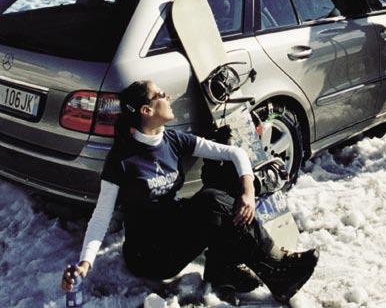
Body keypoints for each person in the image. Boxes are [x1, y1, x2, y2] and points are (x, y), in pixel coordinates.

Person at [61, 80, 318, 303]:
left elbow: (235, 153)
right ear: (146, 110)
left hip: (174, 227)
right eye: (161, 95)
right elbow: (101, 216)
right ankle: (276, 270)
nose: (168, 96)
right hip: (150, 253)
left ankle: (225, 270)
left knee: (226, 178)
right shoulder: (122, 159)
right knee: (212, 202)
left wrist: (248, 192)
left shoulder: (171, 139)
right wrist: (85, 264)